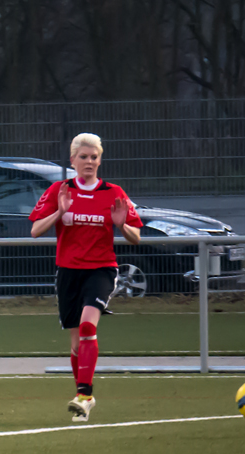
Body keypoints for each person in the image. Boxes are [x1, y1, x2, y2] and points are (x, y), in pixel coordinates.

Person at [30, 133, 142, 422]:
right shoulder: (59, 190)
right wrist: (59, 212)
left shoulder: (114, 193)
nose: (89, 162)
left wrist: (122, 226)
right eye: (84, 157)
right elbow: (35, 230)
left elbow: (136, 236)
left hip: (101, 269)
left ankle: (83, 394)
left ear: (100, 160)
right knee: (75, 343)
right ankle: (86, 399)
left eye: (94, 157)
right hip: (68, 271)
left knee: (87, 326)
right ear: (73, 161)